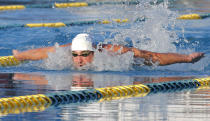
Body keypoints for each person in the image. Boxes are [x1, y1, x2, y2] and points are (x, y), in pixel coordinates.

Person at [12, 33, 204, 69]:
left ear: (93, 52)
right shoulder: (68, 52)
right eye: (76, 55)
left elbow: (153, 56)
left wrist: (187, 58)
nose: (79, 60)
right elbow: (42, 52)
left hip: (129, 59)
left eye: (84, 55)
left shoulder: (110, 53)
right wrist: (19, 56)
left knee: (143, 61)